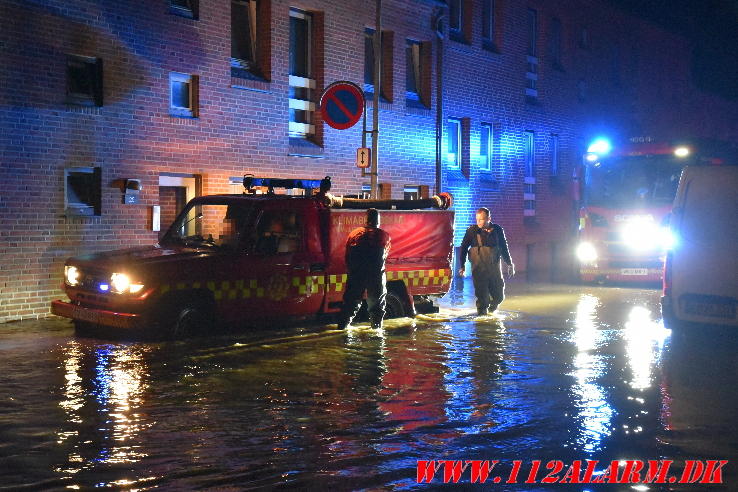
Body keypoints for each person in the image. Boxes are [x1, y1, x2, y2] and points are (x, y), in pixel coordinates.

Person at [338, 208, 391, 329]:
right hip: (376, 275)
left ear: (366, 220)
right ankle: (376, 334)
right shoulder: (384, 236)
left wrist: (351, 272)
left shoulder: (354, 234)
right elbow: (386, 254)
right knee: (377, 307)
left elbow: (347, 255)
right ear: (378, 221)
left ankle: (342, 329)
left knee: (350, 304)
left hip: (356, 275)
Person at [458, 207, 514, 316]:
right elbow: (464, 247)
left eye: (481, 219)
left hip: (494, 270)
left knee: (499, 297)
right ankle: (483, 322)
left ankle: (492, 312)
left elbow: (503, 247)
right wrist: (462, 266)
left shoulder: (498, 230)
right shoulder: (472, 231)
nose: (478, 222)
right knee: (482, 299)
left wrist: (509, 263)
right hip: (479, 270)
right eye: (477, 219)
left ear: (489, 218)